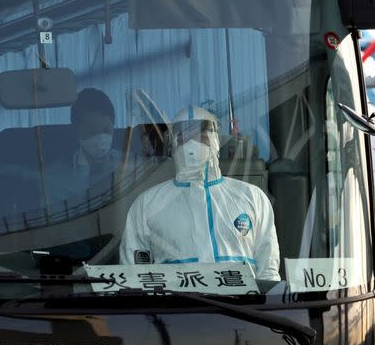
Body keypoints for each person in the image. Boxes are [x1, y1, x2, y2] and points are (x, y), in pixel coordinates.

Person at [120, 105, 280, 281]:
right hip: (175, 308)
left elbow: (268, 273)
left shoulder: (252, 197)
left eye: (202, 136)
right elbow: (133, 277)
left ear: (216, 141)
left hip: (243, 308)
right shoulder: (146, 205)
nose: (192, 144)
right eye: (184, 137)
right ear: (172, 143)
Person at [47, 88, 123, 204]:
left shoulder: (130, 163)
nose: (100, 138)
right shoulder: (54, 177)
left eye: (106, 130)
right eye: (92, 131)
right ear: (76, 132)